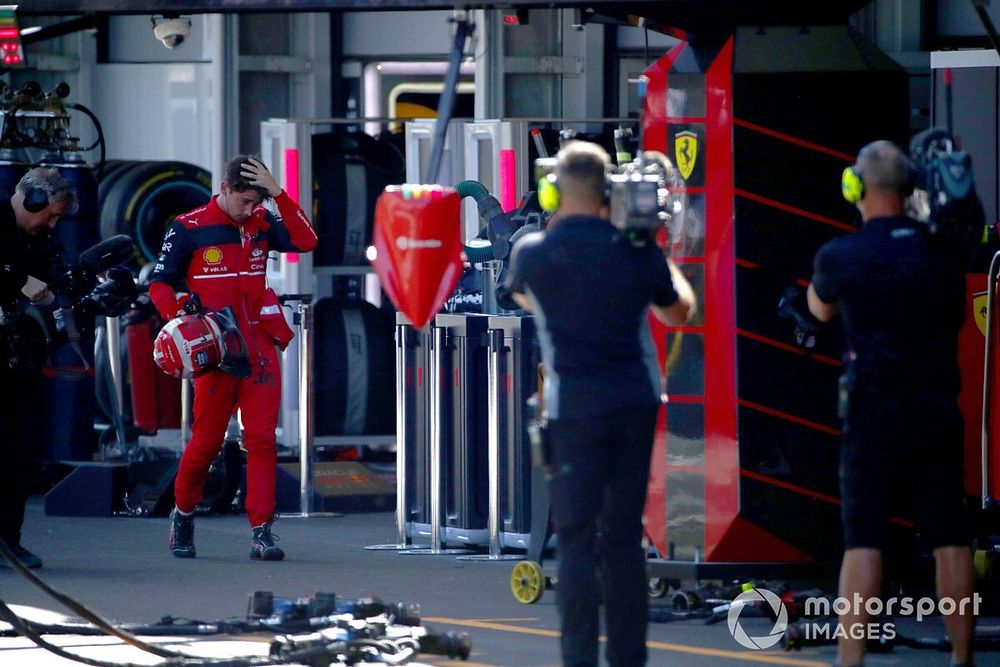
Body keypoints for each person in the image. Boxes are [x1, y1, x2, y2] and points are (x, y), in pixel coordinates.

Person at [505, 141, 695, 666]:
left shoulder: (533, 253)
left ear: (553, 191)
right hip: (634, 402)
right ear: (608, 192)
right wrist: (652, 248)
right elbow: (679, 312)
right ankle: (629, 659)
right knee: (623, 539)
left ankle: (579, 658)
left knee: (575, 539)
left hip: (573, 409)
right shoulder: (636, 251)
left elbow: (522, 296)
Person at [807, 140, 975, 667]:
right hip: (936, 407)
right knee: (950, 537)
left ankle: (850, 660)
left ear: (855, 187)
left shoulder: (840, 255)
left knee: (863, 541)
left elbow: (818, 310)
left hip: (873, 412)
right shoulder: (941, 250)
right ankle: (963, 657)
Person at [149, 155, 317, 561]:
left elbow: (307, 241)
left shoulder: (263, 221)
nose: (249, 209)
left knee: (262, 440)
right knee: (206, 444)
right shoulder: (188, 226)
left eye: (256, 201)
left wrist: (279, 195)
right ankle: (183, 514)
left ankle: (262, 531)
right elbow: (159, 284)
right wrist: (180, 316)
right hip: (214, 350)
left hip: (260, 346)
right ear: (224, 189)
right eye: (243, 200)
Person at [0, 167, 78, 570]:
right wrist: (18, 279)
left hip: (19, 357)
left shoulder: (43, 240)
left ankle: (8, 542)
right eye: (49, 214)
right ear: (31, 199)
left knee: (19, 449)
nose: (51, 223)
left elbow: (55, 281)